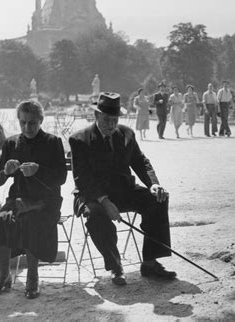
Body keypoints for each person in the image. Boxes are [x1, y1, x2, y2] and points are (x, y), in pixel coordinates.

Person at [69, 92, 176, 286]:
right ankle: (115, 265)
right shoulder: (79, 139)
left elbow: (140, 161)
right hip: (92, 195)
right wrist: (104, 201)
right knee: (96, 215)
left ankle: (150, 262)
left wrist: (154, 184)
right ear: (96, 116)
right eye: (106, 120)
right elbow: (82, 179)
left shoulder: (127, 134)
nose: (111, 125)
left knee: (159, 199)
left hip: (124, 190)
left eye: (114, 120)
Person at [0, 100, 67, 299]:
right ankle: (4, 276)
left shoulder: (52, 142)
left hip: (45, 201)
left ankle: (32, 277)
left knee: (31, 221)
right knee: (1, 220)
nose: (26, 127)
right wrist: (5, 172)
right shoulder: (11, 143)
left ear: (40, 121)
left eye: (32, 123)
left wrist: (39, 171)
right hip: (19, 198)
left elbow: (61, 178)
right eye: (23, 122)